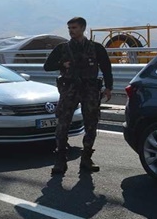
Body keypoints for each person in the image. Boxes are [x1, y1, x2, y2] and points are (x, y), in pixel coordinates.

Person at [43, 17, 113, 175]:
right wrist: (62, 64)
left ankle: (86, 159)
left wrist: (108, 87)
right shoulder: (63, 48)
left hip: (90, 90)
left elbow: (106, 68)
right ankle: (60, 160)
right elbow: (47, 66)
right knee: (62, 124)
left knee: (91, 124)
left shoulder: (96, 48)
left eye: (74, 27)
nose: (71, 31)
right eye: (69, 28)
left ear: (82, 28)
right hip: (69, 90)